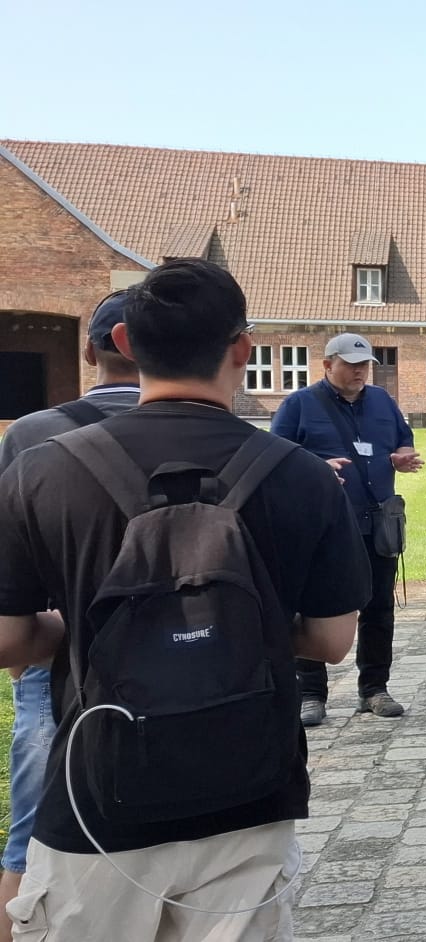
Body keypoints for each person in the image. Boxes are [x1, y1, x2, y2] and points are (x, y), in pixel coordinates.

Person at [0, 259, 366, 939]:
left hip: (99, 795)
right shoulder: (304, 476)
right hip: (249, 789)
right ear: (243, 349)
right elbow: (330, 641)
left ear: (125, 344)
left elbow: (7, 640)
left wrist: (84, 626)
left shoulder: (41, 470)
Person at [0, 289, 144, 910]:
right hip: (172, 650)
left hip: (56, 652)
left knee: (29, 845)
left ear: (90, 353)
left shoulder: (33, 434)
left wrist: (25, 649)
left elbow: (12, 559)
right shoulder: (203, 431)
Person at [271, 332, 423, 726]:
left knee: (379, 608)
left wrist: (402, 456)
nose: (360, 371)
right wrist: (316, 469)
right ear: (327, 365)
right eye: (351, 364)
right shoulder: (299, 404)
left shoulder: (383, 402)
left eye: (365, 365)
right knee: (313, 606)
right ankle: (310, 694)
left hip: (377, 522)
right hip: (323, 526)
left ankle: (374, 689)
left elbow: (404, 440)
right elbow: (275, 458)